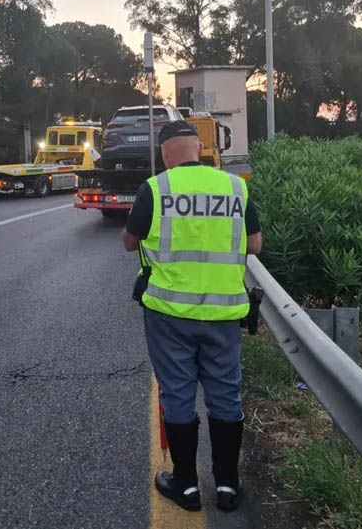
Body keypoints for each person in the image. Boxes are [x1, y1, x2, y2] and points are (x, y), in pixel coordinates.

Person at [121, 120, 262, 513]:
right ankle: (228, 487)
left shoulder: (155, 188)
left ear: (165, 153)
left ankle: (185, 485)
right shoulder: (235, 187)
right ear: (199, 147)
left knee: (178, 394)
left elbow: (129, 242)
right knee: (225, 395)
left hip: (169, 314)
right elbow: (255, 244)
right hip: (223, 312)